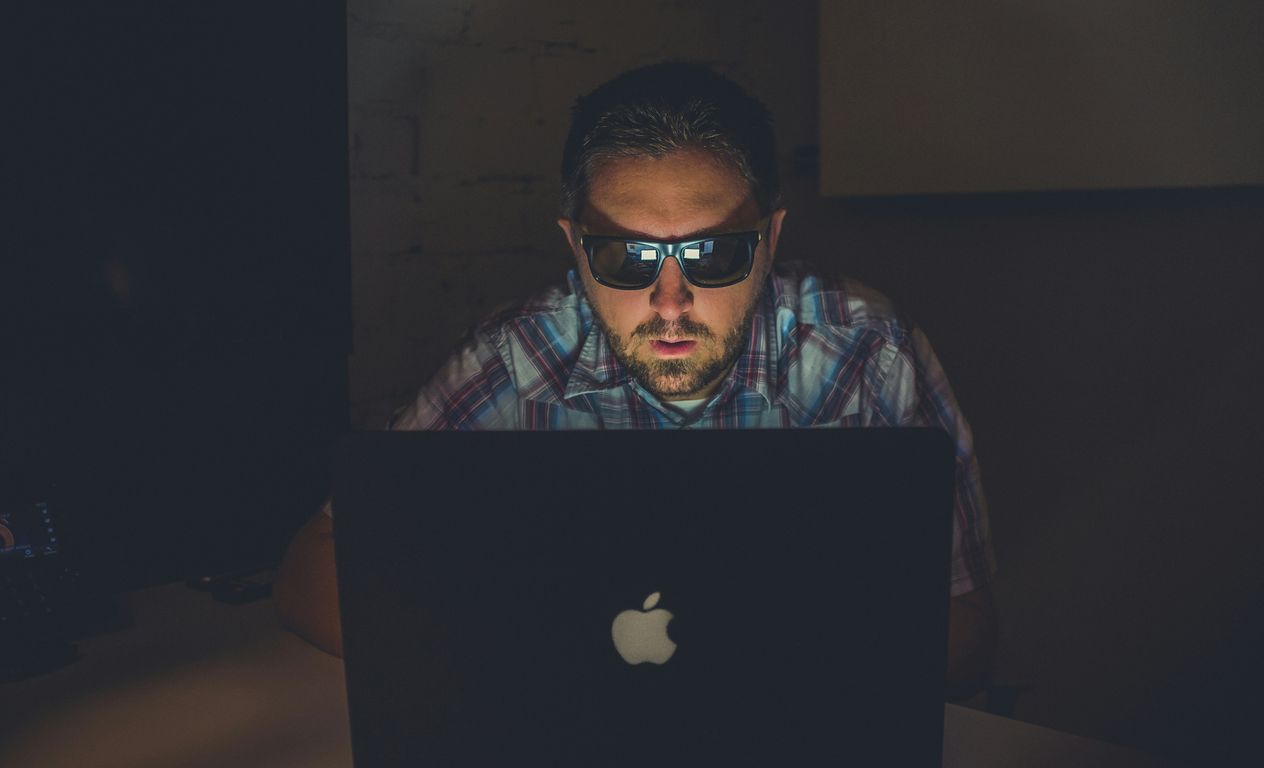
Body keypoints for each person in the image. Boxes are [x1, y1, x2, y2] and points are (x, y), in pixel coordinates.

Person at [275, 61, 998, 698]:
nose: (670, 302)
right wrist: (527, 671)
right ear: (575, 249)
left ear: (771, 240)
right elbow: (312, 571)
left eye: (713, 252)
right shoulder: (515, 358)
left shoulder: (871, 354)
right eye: (627, 258)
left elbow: (964, 630)